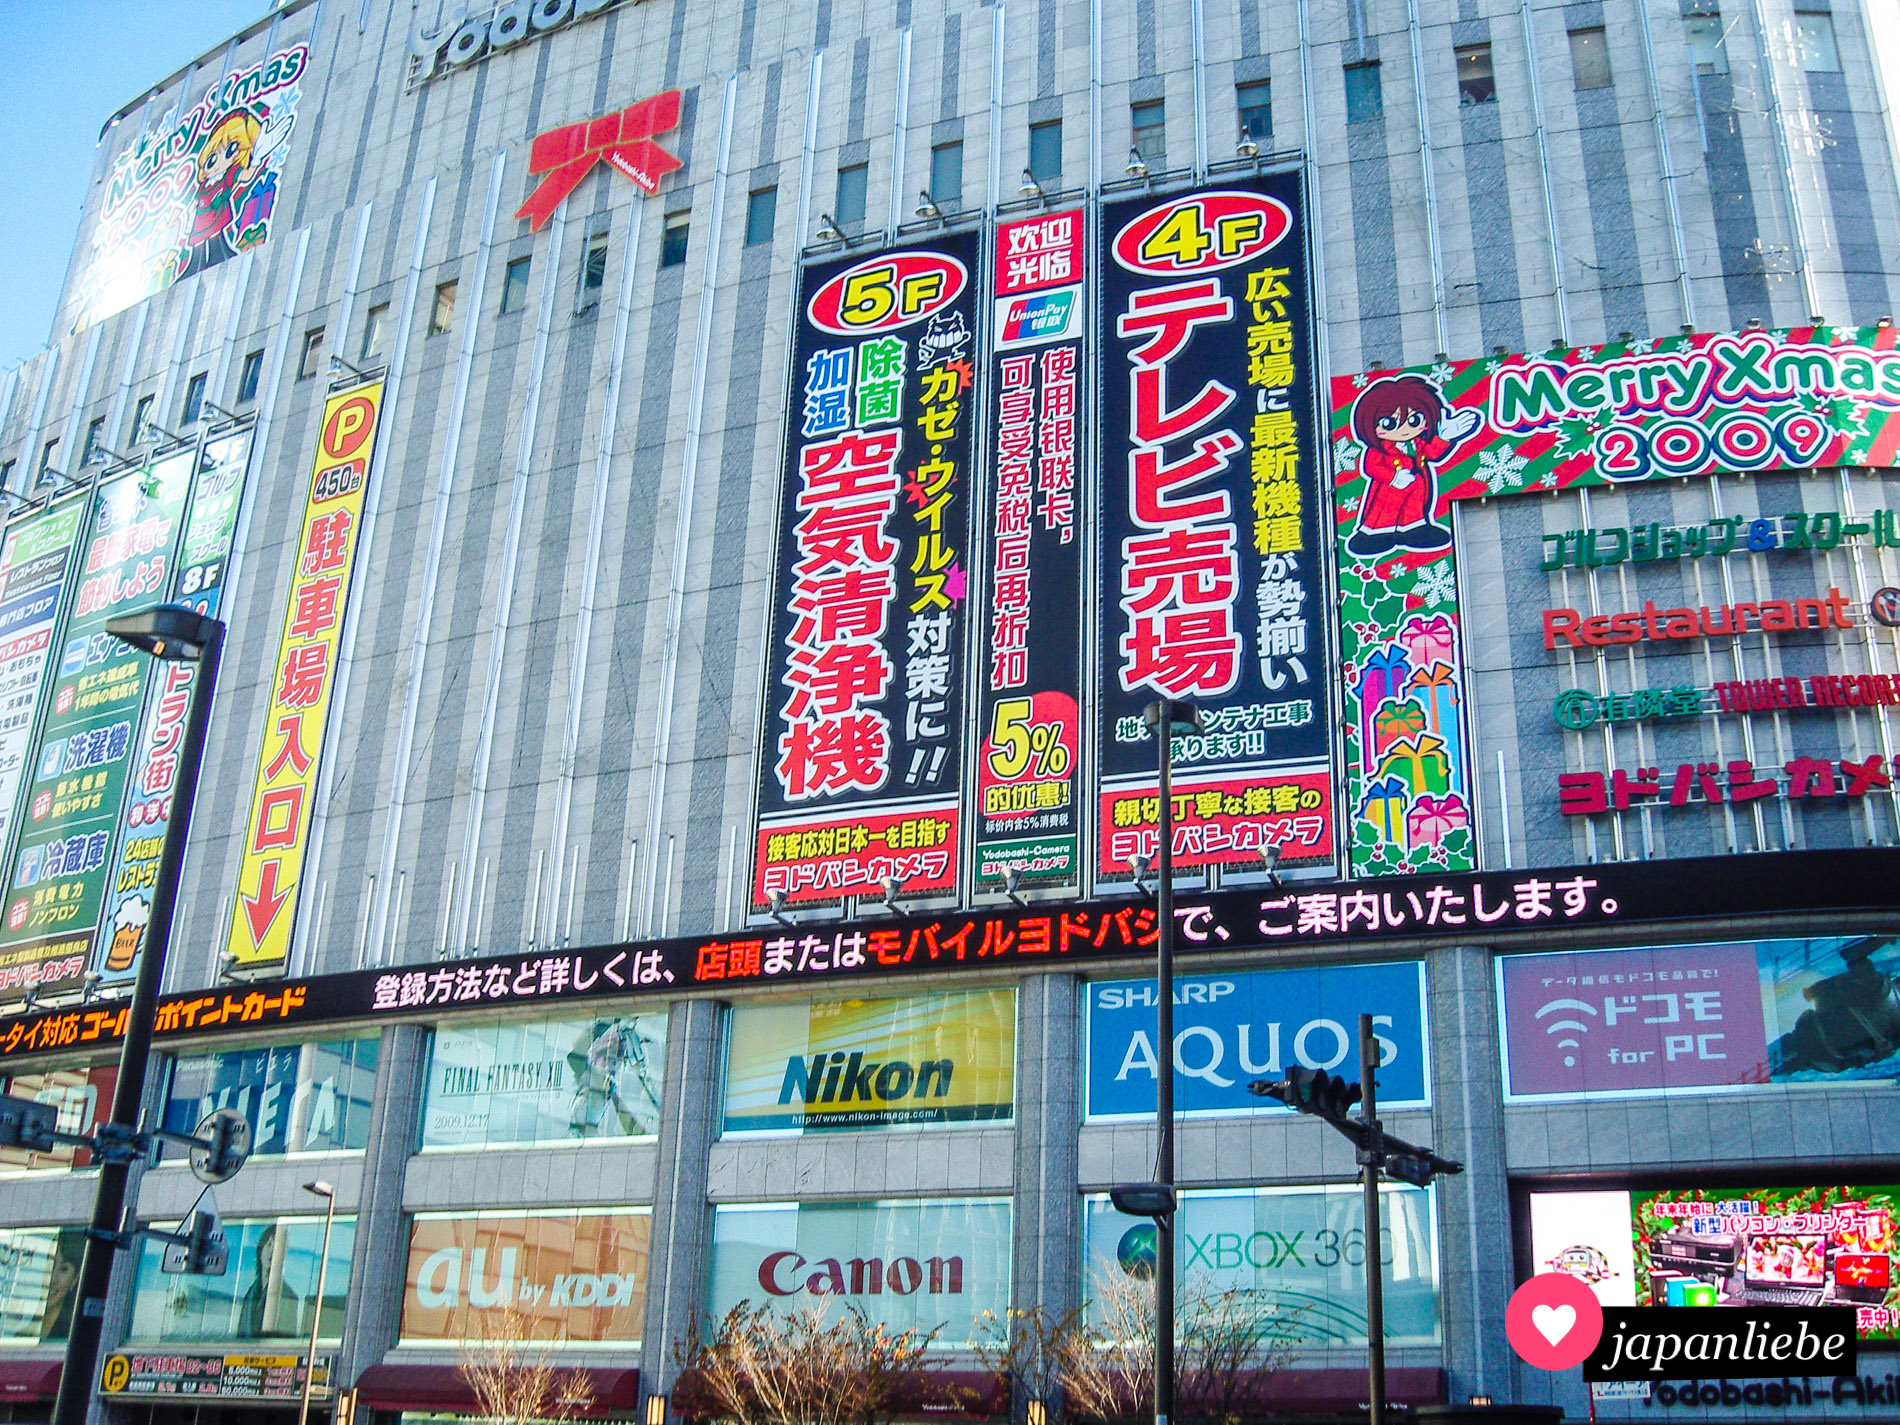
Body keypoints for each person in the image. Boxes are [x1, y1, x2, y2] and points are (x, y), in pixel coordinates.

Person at [1344, 373, 1482, 559]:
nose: (1404, 429)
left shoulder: (1416, 444)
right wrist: (1393, 477)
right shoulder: (1379, 448)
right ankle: (1374, 535)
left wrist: (1445, 437)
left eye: (1414, 420)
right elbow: (1371, 467)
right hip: (1390, 491)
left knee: (1413, 510)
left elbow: (1432, 454)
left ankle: (1413, 530)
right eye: (1390, 423)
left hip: (1417, 488)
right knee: (1384, 514)